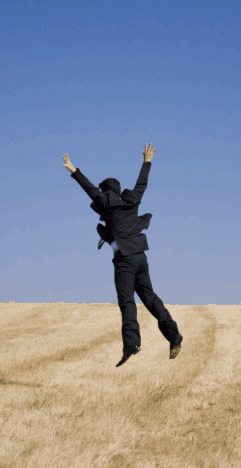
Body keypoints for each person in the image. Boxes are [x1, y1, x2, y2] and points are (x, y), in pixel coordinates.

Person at [63, 144, 183, 367]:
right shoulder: (131, 201)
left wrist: (74, 171)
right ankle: (174, 335)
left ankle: (131, 344)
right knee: (150, 298)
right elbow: (141, 184)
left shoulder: (107, 205)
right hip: (141, 257)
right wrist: (147, 162)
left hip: (125, 262)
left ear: (106, 192)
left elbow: (90, 189)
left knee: (127, 301)